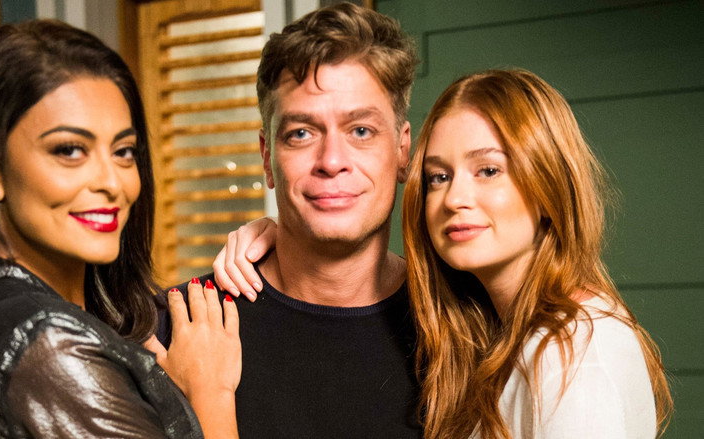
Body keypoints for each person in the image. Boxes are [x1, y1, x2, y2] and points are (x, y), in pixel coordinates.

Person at [0, 20, 239, 438]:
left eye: (123, 151)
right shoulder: (53, 349)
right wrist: (210, 391)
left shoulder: (29, 314)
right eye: (70, 150)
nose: (112, 182)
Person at [156, 3, 423, 437]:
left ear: (401, 150)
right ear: (267, 157)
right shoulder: (180, 329)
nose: (331, 161)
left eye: (361, 131)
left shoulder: (459, 326)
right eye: (301, 133)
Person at [402, 69, 673, 438]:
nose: (454, 199)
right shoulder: (513, 338)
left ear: (548, 187)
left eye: (488, 170)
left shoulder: (573, 353)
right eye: (439, 176)